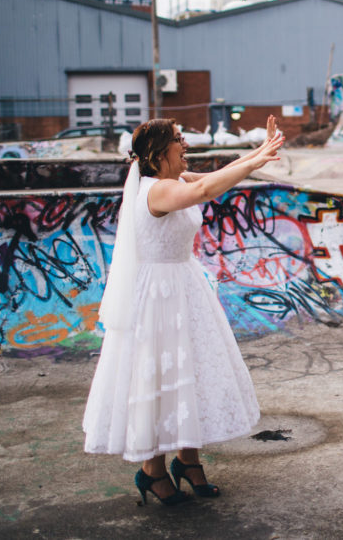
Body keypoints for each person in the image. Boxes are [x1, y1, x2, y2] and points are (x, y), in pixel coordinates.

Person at [83, 116, 285, 505]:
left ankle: (188, 462)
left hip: (184, 287)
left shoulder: (173, 180)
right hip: (157, 296)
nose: (185, 144)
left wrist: (259, 153)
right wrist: (256, 160)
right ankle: (152, 471)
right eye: (178, 139)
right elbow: (209, 188)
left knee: (190, 372)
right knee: (158, 378)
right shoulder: (155, 191)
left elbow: (215, 175)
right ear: (158, 153)